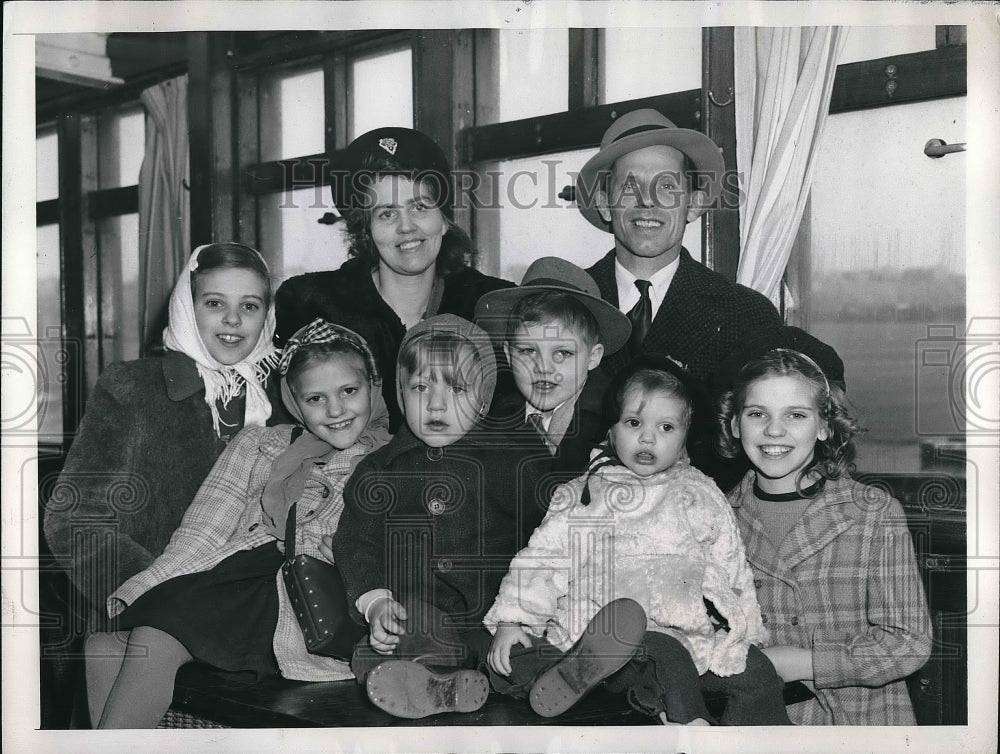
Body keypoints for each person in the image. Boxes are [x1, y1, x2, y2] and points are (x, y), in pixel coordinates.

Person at [83, 320, 392, 728]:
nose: (335, 410)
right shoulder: (259, 443)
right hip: (234, 575)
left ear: (373, 385)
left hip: (298, 600)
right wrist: (142, 591)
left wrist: (351, 560)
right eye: (316, 398)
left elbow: (403, 556)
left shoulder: (390, 462)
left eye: (349, 391)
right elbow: (200, 532)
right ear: (295, 403)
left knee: (156, 638)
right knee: (102, 642)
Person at [481, 356, 790, 725]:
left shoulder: (699, 493)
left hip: (690, 635)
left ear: (685, 436)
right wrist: (513, 621)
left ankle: (765, 742)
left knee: (757, 674)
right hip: (602, 636)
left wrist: (747, 632)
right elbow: (544, 559)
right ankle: (691, 729)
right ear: (611, 431)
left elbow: (731, 567)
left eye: (666, 427)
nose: (647, 437)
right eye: (633, 423)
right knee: (666, 660)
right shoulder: (587, 493)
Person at [44, 242, 283, 631]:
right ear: (187, 307)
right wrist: (156, 593)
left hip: (256, 624)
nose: (233, 320)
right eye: (215, 303)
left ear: (267, 315)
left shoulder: (285, 396)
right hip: (145, 619)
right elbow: (73, 520)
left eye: (250, 306)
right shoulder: (133, 388)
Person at [714, 326, 932, 725]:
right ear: (733, 424)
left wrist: (804, 663)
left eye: (796, 415)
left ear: (825, 425)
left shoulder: (872, 514)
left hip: (860, 724)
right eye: (757, 414)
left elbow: (909, 643)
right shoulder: (714, 519)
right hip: (756, 725)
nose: (774, 430)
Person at [332, 314, 527, 719]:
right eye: (421, 387)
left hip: (491, 621)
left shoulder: (508, 462)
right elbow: (355, 543)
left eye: (456, 388)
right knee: (403, 633)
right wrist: (376, 604)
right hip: (418, 616)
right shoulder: (380, 470)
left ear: (484, 398)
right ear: (401, 396)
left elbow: (538, 539)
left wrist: (520, 613)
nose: (436, 404)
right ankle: (429, 678)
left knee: (520, 653)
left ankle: (546, 674)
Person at [274, 126, 513, 432]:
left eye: (420, 207)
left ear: (444, 220)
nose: (406, 227)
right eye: (387, 213)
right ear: (366, 230)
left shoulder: (489, 305)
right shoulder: (312, 305)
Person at [575, 107, 781, 384]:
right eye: (629, 187)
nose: (647, 201)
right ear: (605, 205)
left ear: (694, 206)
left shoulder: (746, 315)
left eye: (666, 187)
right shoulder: (568, 302)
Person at [475, 256, 631, 505]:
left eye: (563, 353)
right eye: (528, 351)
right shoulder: (490, 416)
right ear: (508, 354)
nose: (544, 368)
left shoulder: (615, 424)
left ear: (593, 357)